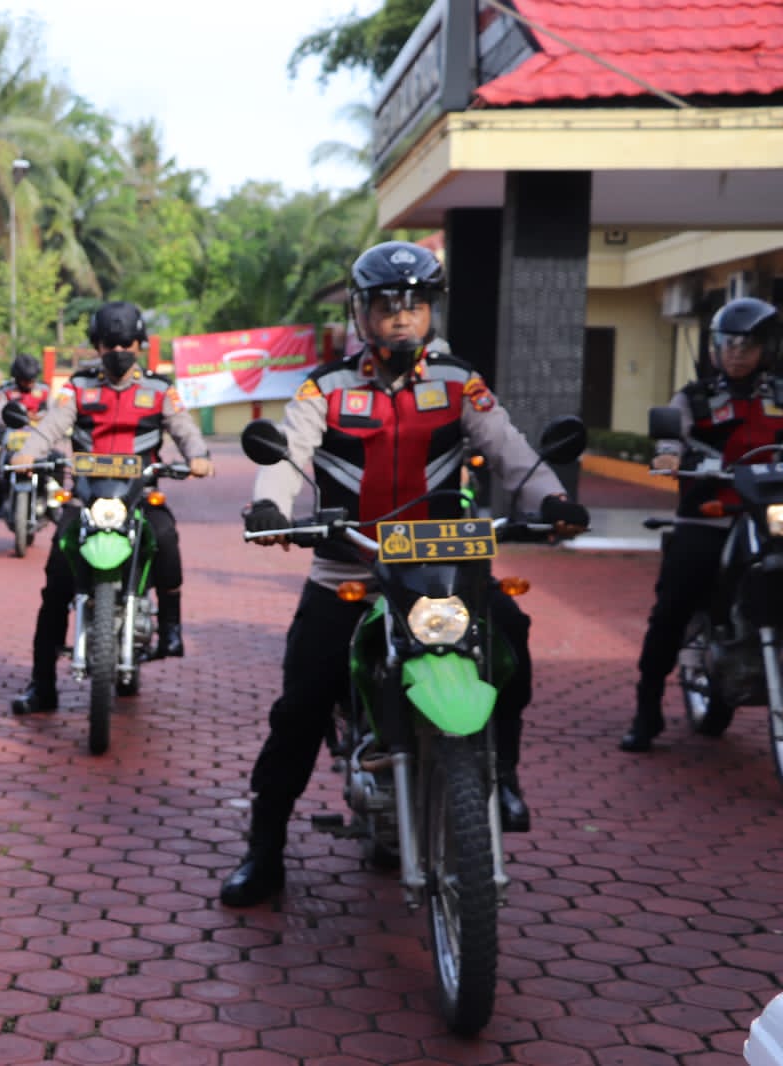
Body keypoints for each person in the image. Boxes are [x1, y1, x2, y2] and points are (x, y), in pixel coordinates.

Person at [219, 239, 591, 908]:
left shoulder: (459, 383)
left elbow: (512, 453)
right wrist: (272, 505)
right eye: (387, 305)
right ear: (361, 312)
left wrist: (552, 501)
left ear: (431, 312)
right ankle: (264, 849)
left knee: (509, 636)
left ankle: (501, 773)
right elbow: (288, 448)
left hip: (449, 569)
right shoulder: (325, 387)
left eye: (415, 305)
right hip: (349, 572)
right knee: (300, 708)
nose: (401, 317)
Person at [7, 300, 214, 714]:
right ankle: (42, 686)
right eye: (108, 344)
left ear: (139, 345)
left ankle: (171, 627)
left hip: (140, 494)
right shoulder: (78, 387)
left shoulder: (159, 389)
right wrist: (28, 452)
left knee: (167, 537)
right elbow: (51, 425)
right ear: (97, 346)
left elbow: (185, 428)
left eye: (127, 343)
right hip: (87, 495)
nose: (118, 350)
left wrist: (198, 455)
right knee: (56, 584)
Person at [622, 296, 783, 752]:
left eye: (746, 344)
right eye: (727, 343)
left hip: (771, 519)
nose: (735, 353)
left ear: (767, 348)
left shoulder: (781, 395)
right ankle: (646, 707)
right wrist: (669, 455)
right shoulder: (694, 397)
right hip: (712, 515)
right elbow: (671, 435)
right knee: (673, 604)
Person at [0, 353, 55, 549]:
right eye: (24, 379)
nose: (28, 383)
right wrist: (20, 418)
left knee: (56, 467)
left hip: (39, 446)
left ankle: (53, 508)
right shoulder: (6, 392)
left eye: (31, 379)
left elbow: (54, 413)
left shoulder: (44, 391)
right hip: (12, 445)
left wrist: (41, 419)